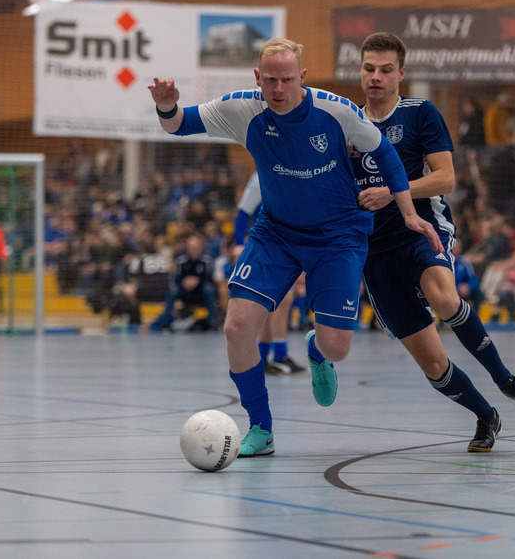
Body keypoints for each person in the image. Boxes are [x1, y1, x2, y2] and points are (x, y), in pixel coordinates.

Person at [150, 38, 442, 457]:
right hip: (277, 233)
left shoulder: (336, 110)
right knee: (236, 327)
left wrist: (409, 213)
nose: (279, 89)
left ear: (301, 77)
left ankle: (315, 350)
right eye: (270, 79)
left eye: (287, 79)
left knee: (337, 346)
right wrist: (166, 104)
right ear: (258, 78)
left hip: (339, 235)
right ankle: (261, 428)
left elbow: (386, 153)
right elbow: (179, 124)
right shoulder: (243, 109)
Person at [352, 32, 515, 453]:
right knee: (433, 363)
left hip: (421, 225)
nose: (376, 77)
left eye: (386, 70)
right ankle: (486, 416)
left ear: (401, 74)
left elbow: (446, 177)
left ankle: (506, 379)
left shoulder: (420, 112)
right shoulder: (346, 121)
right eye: (369, 68)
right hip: (374, 249)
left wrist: (392, 192)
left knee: (444, 298)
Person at [235, 172, 305, 374]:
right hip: (267, 245)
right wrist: (239, 244)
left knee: (275, 303)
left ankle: (263, 358)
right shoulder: (260, 177)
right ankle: (280, 356)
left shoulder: (295, 173)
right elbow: (243, 212)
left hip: (287, 245)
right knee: (284, 299)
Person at [148, 234, 219, 333]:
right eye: (191, 248)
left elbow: (210, 279)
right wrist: (184, 282)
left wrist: (197, 281)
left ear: (200, 248)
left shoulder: (207, 261)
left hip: (200, 293)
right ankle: (166, 323)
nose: (193, 250)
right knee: (173, 290)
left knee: (209, 288)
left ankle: (212, 324)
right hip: (184, 293)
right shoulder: (180, 261)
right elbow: (175, 280)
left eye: (195, 248)